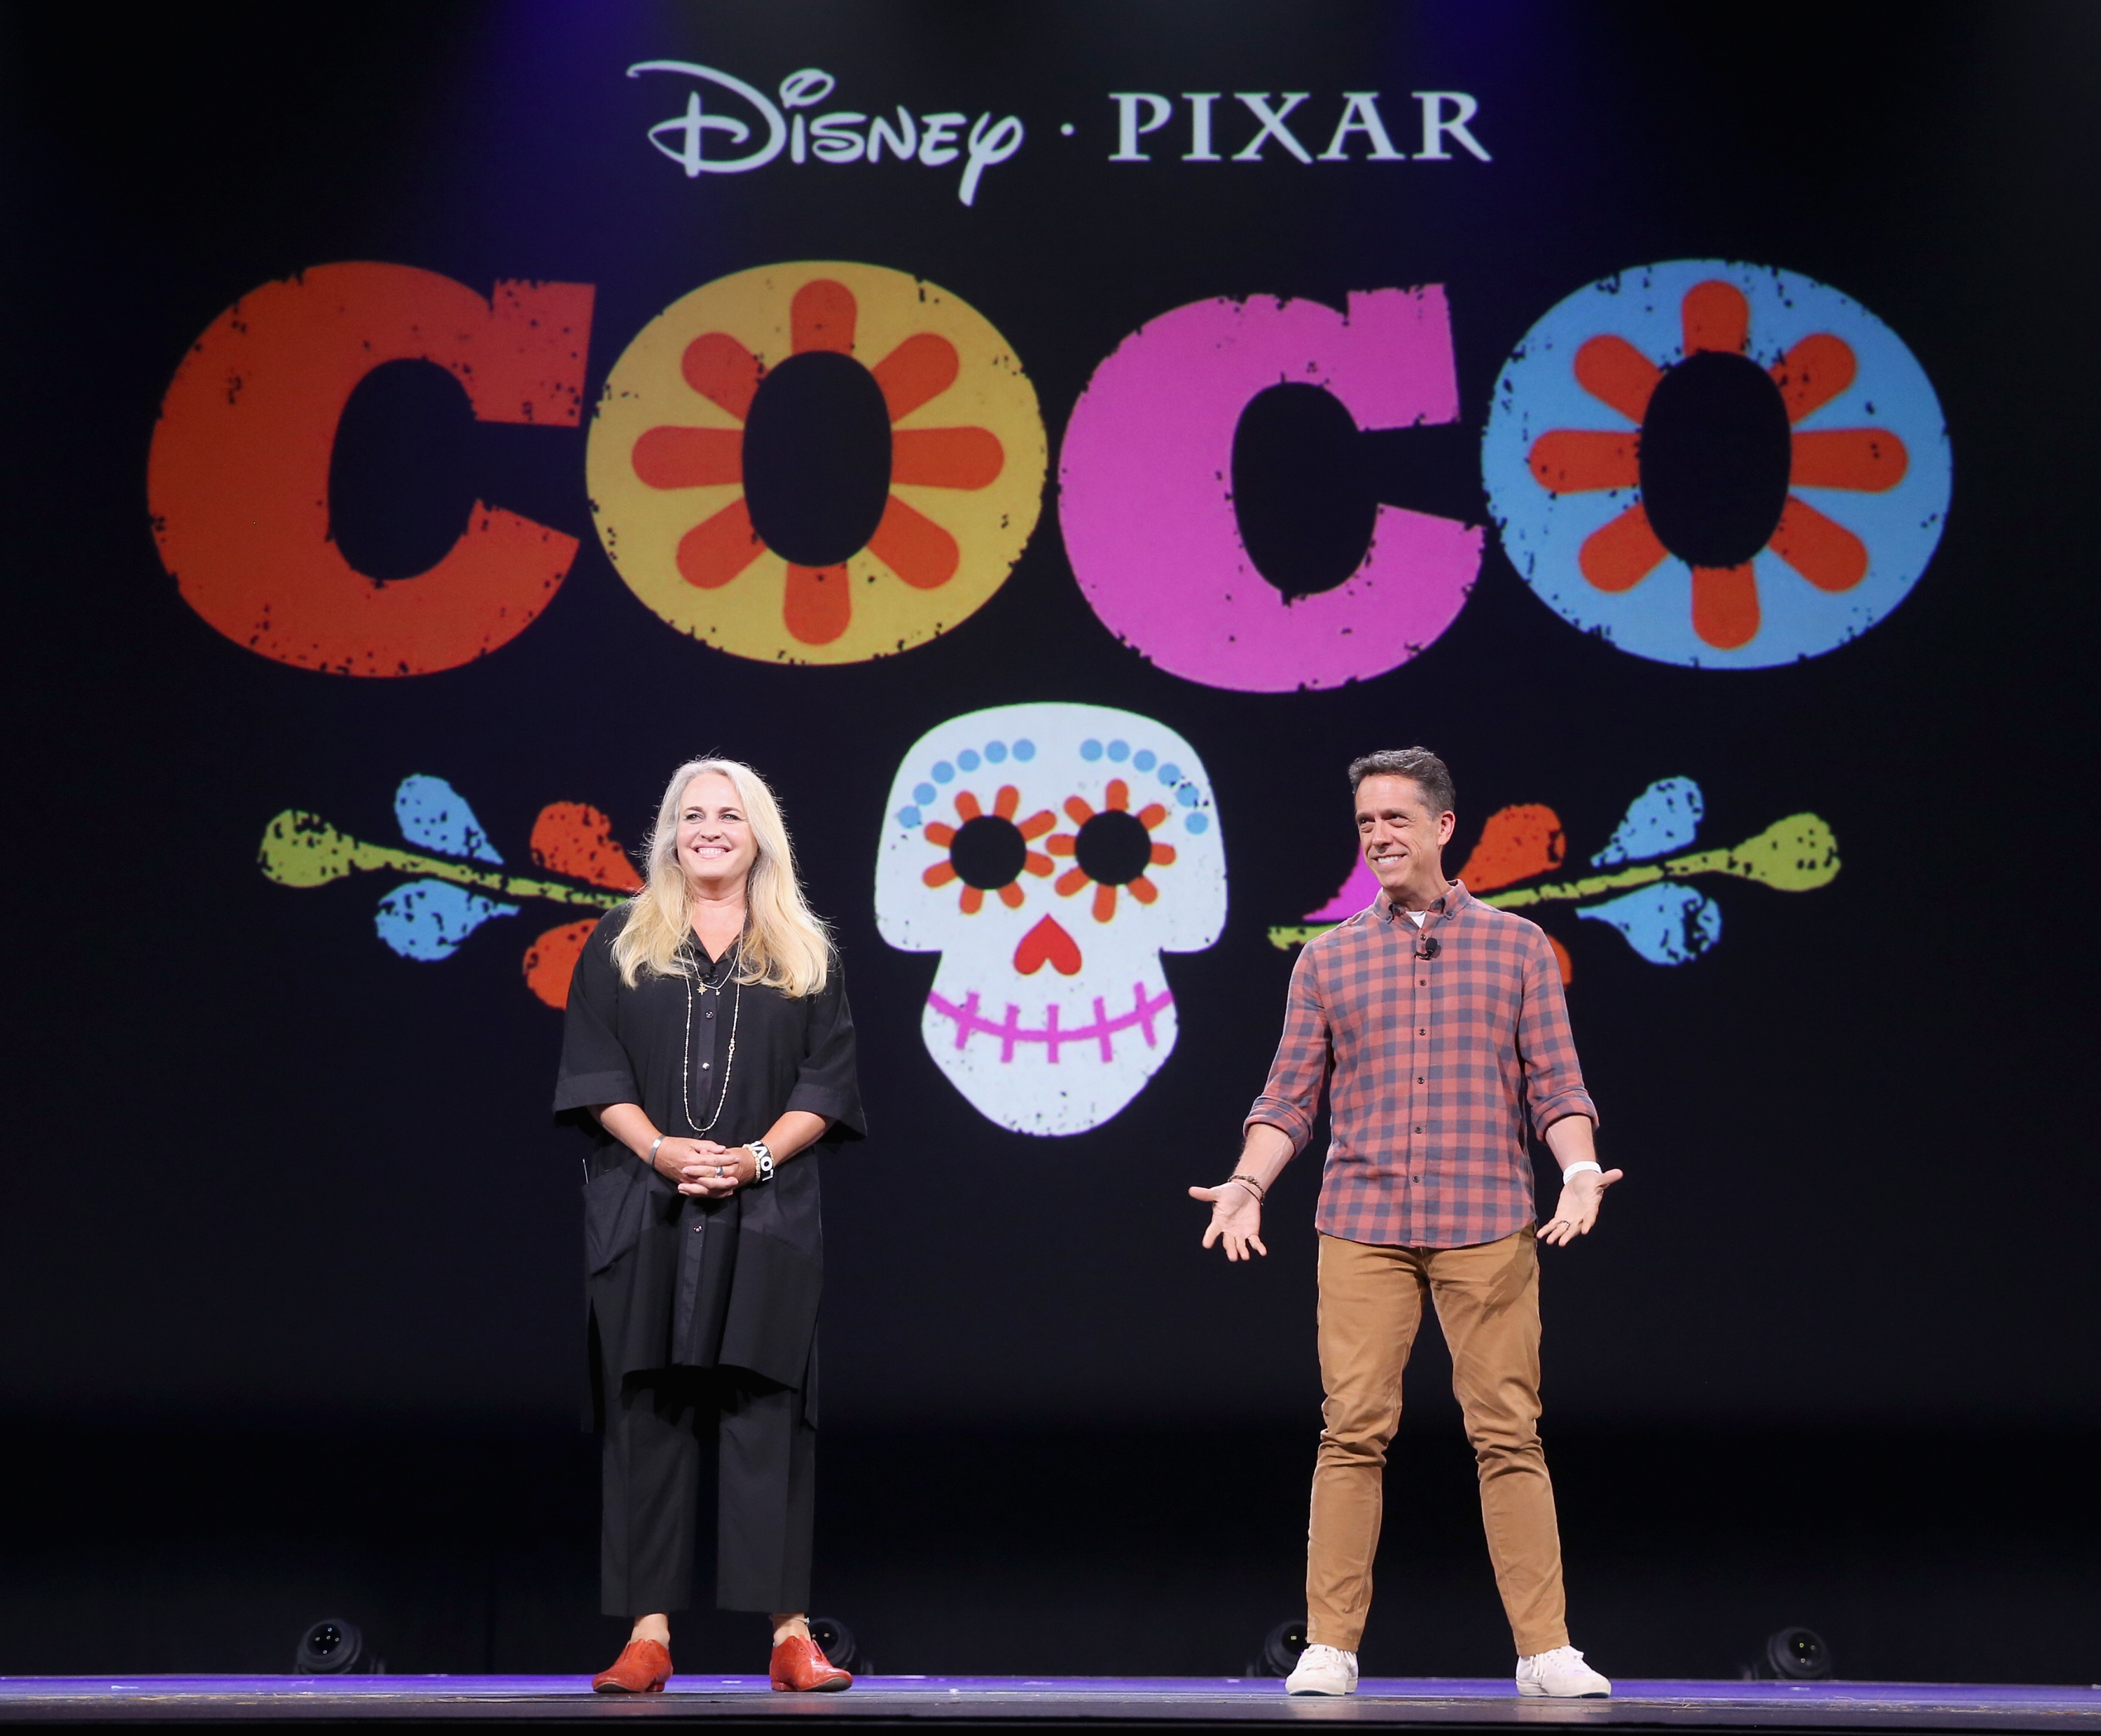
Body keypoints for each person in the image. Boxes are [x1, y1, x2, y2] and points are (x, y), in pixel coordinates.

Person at [1191, 747, 1623, 1700]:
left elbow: (1557, 1086)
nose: (1379, 836)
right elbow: (1289, 1097)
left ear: (1442, 826)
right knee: (1351, 1429)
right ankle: (1330, 1645)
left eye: (1395, 819)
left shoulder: (1516, 947)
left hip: (1488, 1221)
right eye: (1366, 823)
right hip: (1363, 1222)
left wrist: (1580, 1170)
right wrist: (1248, 1181)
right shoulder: (1327, 958)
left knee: (1508, 1432)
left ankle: (1546, 1649)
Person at [554, 756, 864, 1695]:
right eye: (692, 816)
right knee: (645, 1413)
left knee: (768, 1416)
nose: (710, 830)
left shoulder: (804, 951)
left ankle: (790, 1636)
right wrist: (659, 1151)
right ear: (670, 835)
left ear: (759, 834)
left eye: (728, 815)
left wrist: (756, 1158)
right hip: (644, 1210)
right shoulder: (622, 942)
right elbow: (595, 1071)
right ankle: (647, 1635)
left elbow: (826, 1085)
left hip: (765, 1213)